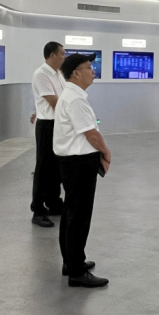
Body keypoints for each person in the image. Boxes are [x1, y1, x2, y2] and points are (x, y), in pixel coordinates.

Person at [54, 53, 111, 288]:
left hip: (72, 161)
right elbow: (91, 133)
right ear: (76, 73)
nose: (93, 71)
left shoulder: (71, 95)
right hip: (79, 162)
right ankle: (76, 270)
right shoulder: (75, 99)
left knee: (71, 211)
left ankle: (71, 261)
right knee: (79, 215)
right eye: (89, 67)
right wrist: (106, 152)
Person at [29, 41, 66, 228]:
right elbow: (54, 102)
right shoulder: (41, 74)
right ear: (52, 55)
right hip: (47, 126)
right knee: (43, 168)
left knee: (56, 166)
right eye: (62, 53)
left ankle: (54, 203)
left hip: (58, 123)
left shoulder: (58, 74)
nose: (64, 57)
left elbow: (64, 97)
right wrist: (75, 112)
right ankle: (38, 210)